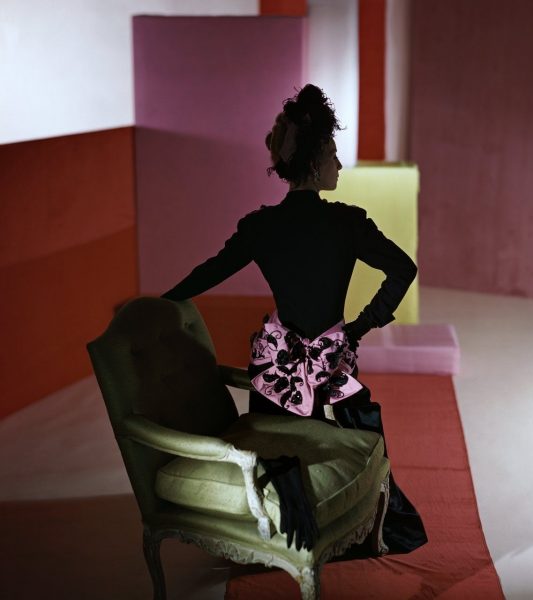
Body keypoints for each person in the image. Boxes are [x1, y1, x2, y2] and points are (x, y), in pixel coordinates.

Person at [161, 84, 427, 555]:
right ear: (315, 164)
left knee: (279, 451)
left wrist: (161, 302)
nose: (339, 165)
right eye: (334, 155)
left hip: (276, 371)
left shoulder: (261, 227)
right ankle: (349, 523)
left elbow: (209, 272)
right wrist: (359, 327)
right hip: (326, 362)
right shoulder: (346, 223)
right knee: (358, 439)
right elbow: (403, 269)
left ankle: (281, 525)